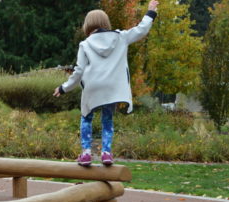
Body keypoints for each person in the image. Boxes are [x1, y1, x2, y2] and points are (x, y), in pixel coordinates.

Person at [54, 1, 159, 166]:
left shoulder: (85, 44)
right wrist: (151, 12)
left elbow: (79, 71)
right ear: (106, 23)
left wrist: (64, 88)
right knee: (107, 119)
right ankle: (106, 153)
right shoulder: (120, 37)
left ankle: (86, 153)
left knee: (86, 117)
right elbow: (141, 30)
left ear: (87, 25)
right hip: (113, 87)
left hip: (92, 86)